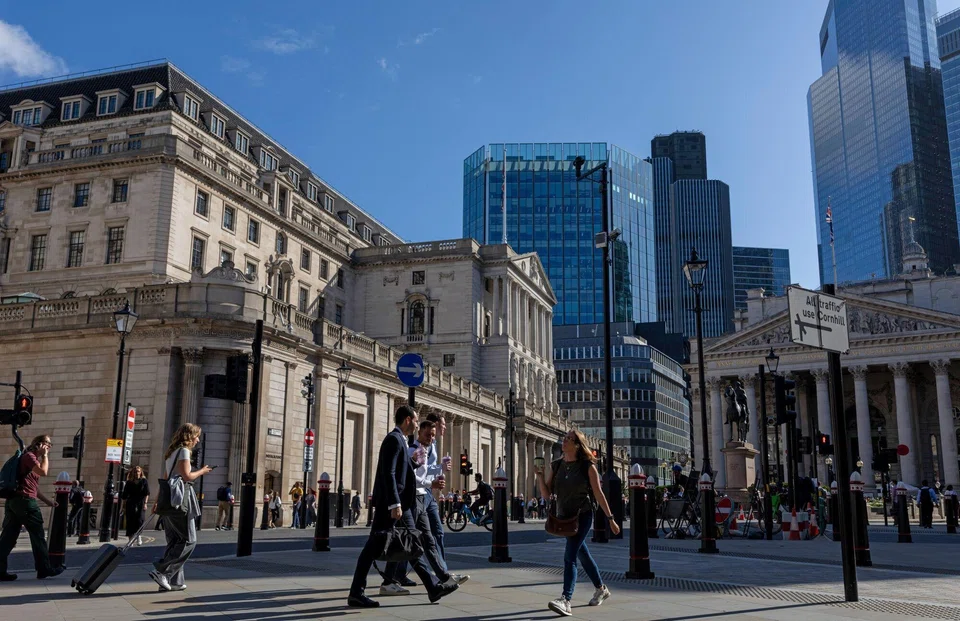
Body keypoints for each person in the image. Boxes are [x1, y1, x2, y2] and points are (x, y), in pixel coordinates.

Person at [347, 405, 459, 608]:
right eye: (416, 421)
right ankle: (430, 587)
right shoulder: (394, 439)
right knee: (407, 542)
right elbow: (388, 474)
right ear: (407, 420)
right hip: (392, 505)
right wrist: (395, 503)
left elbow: (401, 469)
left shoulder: (400, 440)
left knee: (400, 544)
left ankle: (359, 591)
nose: (417, 425)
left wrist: (414, 463)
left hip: (394, 504)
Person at [536, 429, 620, 617]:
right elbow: (546, 495)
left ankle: (566, 599)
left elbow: (598, 493)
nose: (564, 441)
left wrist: (611, 519)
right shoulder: (556, 465)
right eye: (564, 438)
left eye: (569, 439)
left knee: (570, 555)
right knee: (581, 553)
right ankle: (601, 588)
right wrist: (540, 476)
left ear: (577, 445)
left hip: (582, 515)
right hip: (564, 517)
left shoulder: (587, 466)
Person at [387, 418, 468, 593]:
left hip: (422, 497)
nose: (431, 438)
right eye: (428, 434)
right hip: (413, 499)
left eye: (432, 435)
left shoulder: (425, 449)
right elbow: (409, 476)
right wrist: (430, 483)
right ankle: (393, 580)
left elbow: (424, 473)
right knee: (412, 541)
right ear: (419, 432)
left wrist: (437, 471)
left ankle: (442, 577)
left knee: (425, 540)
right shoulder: (412, 450)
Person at [149, 423, 212, 592]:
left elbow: (165, 478)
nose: (198, 439)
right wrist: (203, 471)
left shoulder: (171, 452)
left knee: (174, 541)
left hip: (168, 499)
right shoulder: (184, 451)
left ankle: (175, 581)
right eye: (196, 436)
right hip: (180, 499)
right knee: (189, 540)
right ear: (189, 436)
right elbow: (187, 476)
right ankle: (162, 572)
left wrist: (157, 501)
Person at [0, 434, 62, 581]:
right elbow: (43, 472)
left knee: (8, 538)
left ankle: (0, 571)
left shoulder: (28, 459)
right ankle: (44, 569)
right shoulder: (30, 457)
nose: (49, 448)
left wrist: (48, 502)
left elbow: (34, 488)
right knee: (38, 535)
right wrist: (45, 456)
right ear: (40, 444)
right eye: (48, 445)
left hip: (15, 502)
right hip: (25, 503)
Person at [121, 466, 150, 546]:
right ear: (132, 473)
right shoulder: (129, 482)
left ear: (141, 472)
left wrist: (145, 503)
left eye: (138, 471)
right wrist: (123, 506)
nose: (136, 473)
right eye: (135, 471)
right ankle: (130, 540)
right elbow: (124, 496)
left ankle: (138, 536)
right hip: (131, 502)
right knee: (130, 521)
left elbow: (147, 493)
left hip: (141, 502)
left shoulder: (144, 481)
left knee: (140, 519)